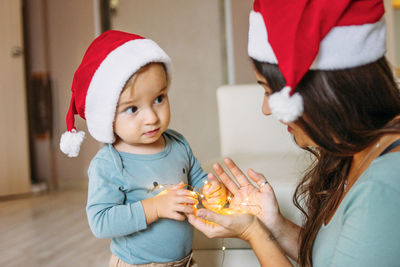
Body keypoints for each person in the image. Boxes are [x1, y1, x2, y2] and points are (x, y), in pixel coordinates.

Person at [188, 0, 400, 266]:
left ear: (319, 93)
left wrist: (253, 232)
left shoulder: (384, 188)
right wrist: (272, 223)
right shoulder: (356, 152)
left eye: (269, 91)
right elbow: (336, 257)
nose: (266, 109)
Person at [59, 30, 226, 267]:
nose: (151, 118)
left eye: (159, 98)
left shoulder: (177, 143)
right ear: (108, 117)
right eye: (132, 109)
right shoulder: (109, 163)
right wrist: (155, 207)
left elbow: (196, 177)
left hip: (185, 261)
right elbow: (101, 221)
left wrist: (210, 191)